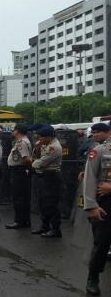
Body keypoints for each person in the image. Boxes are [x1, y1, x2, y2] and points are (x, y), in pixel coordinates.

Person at [82, 122, 111, 296]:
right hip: (105, 203)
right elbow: (90, 179)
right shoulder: (100, 151)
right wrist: (91, 206)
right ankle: (93, 277)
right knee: (101, 243)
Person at [29, 125, 63, 238]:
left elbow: (41, 162)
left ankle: (55, 229)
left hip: (51, 176)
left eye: (41, 137)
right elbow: (36, 156)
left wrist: (32, 163)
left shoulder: (54, 147)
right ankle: (45, 226)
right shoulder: (45, 145)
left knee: (51, 203)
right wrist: (37, 148)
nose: (39, 140)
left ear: (48, 137)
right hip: (44, 175)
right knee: (42, 202)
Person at [5, 124, 32, 230]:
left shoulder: (22, 142)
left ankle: (19, 220)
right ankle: (24, 220)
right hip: (20, 170)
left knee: (18, 197)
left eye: (14, 130)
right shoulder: (23, 141)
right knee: (22, 197)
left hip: (19, 171)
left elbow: (25, 158)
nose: (12, 132)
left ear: (18, 131)